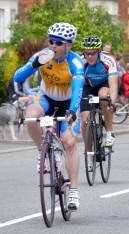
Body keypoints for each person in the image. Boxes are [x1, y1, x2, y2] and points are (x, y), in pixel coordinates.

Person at [14, 22, 84, 211]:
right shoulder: (42, 56)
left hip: (68, 104)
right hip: (46, 98)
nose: (53, 46)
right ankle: (41, 152)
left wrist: (71, 111)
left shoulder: (76, 62)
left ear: (68, 45)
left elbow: (78, 90)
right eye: (51, 41)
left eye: (58, 43)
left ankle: (74, 191)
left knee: (69, 142)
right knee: (31, 116)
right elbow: (17, 78)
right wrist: (33, 65)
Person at [80, 35, 118, 169]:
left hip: (105, 84)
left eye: (93, 53)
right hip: (88, 87)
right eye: (87, 53)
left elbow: (113, 84)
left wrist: (111, 102)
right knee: (84, 119)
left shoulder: (109, 60)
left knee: (103, 96)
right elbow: (75, 84)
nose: (89, 56)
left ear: (99, 51)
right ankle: (89, 155)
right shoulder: (80, 61)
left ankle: (109, 133)